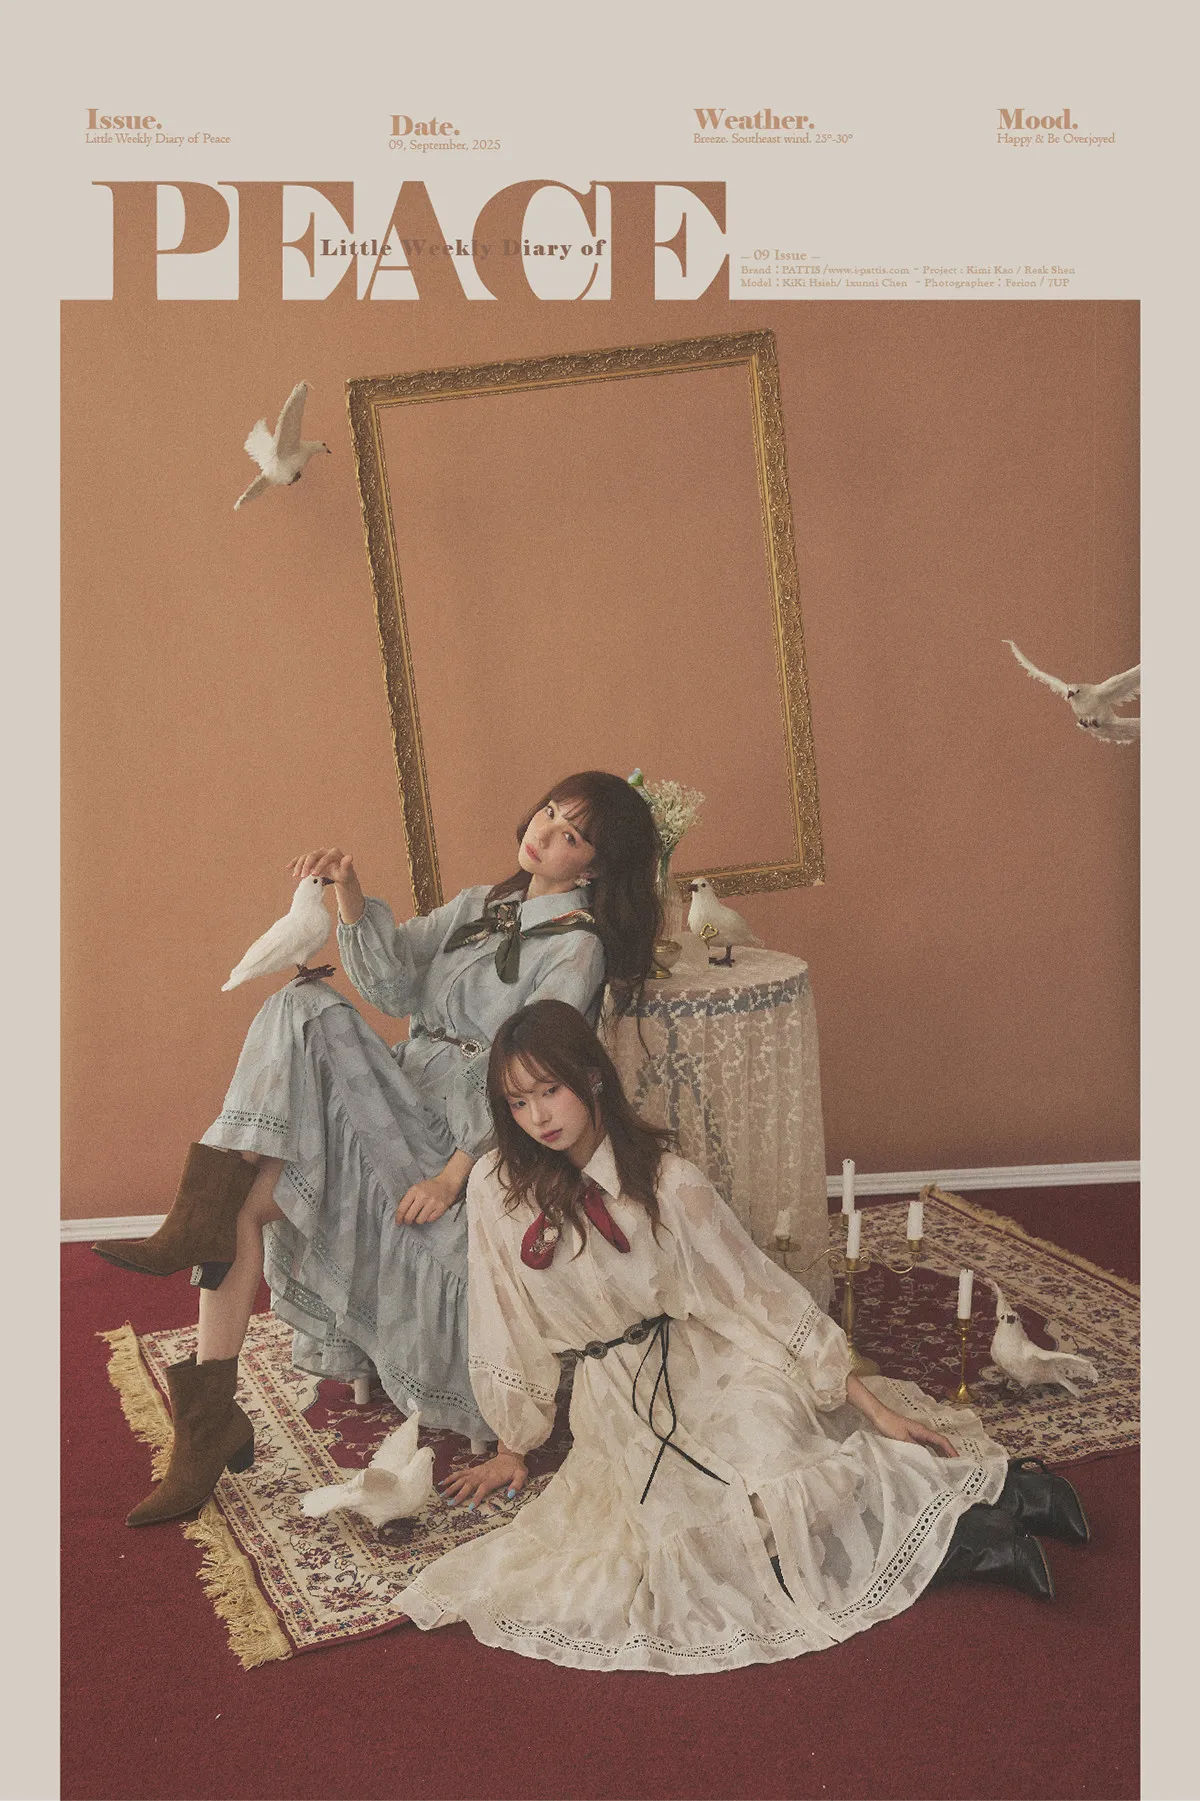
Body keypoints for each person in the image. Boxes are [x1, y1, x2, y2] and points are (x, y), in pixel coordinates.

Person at [399, 999, 1091, 1674]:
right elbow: (501, 1314)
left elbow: (758, 1297)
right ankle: (972, 1543)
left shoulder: (670, 1183)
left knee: (785, 1464)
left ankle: (1008, 1498)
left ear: (592, 1077)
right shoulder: (497, 1186)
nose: (538, 1117)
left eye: (550, 1090)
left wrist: (875, 1407)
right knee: (697, 1542)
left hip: (710, 1363)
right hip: (617, 1406)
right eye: (518, 1102)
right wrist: (514, 1443)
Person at [95, 773, 662, 1526]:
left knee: (302, 1006)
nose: (545, 832)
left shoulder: (577, 948)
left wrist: (453, 1175)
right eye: (550, 811)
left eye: (571, 834)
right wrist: (351, 896)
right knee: (245, 1184)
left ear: (593, 866)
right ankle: (207, 1428)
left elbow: (534, 1073)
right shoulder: (477, 905)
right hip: (398, 1093)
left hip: (465, 1130)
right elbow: (391, 987)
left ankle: (197, 1207)